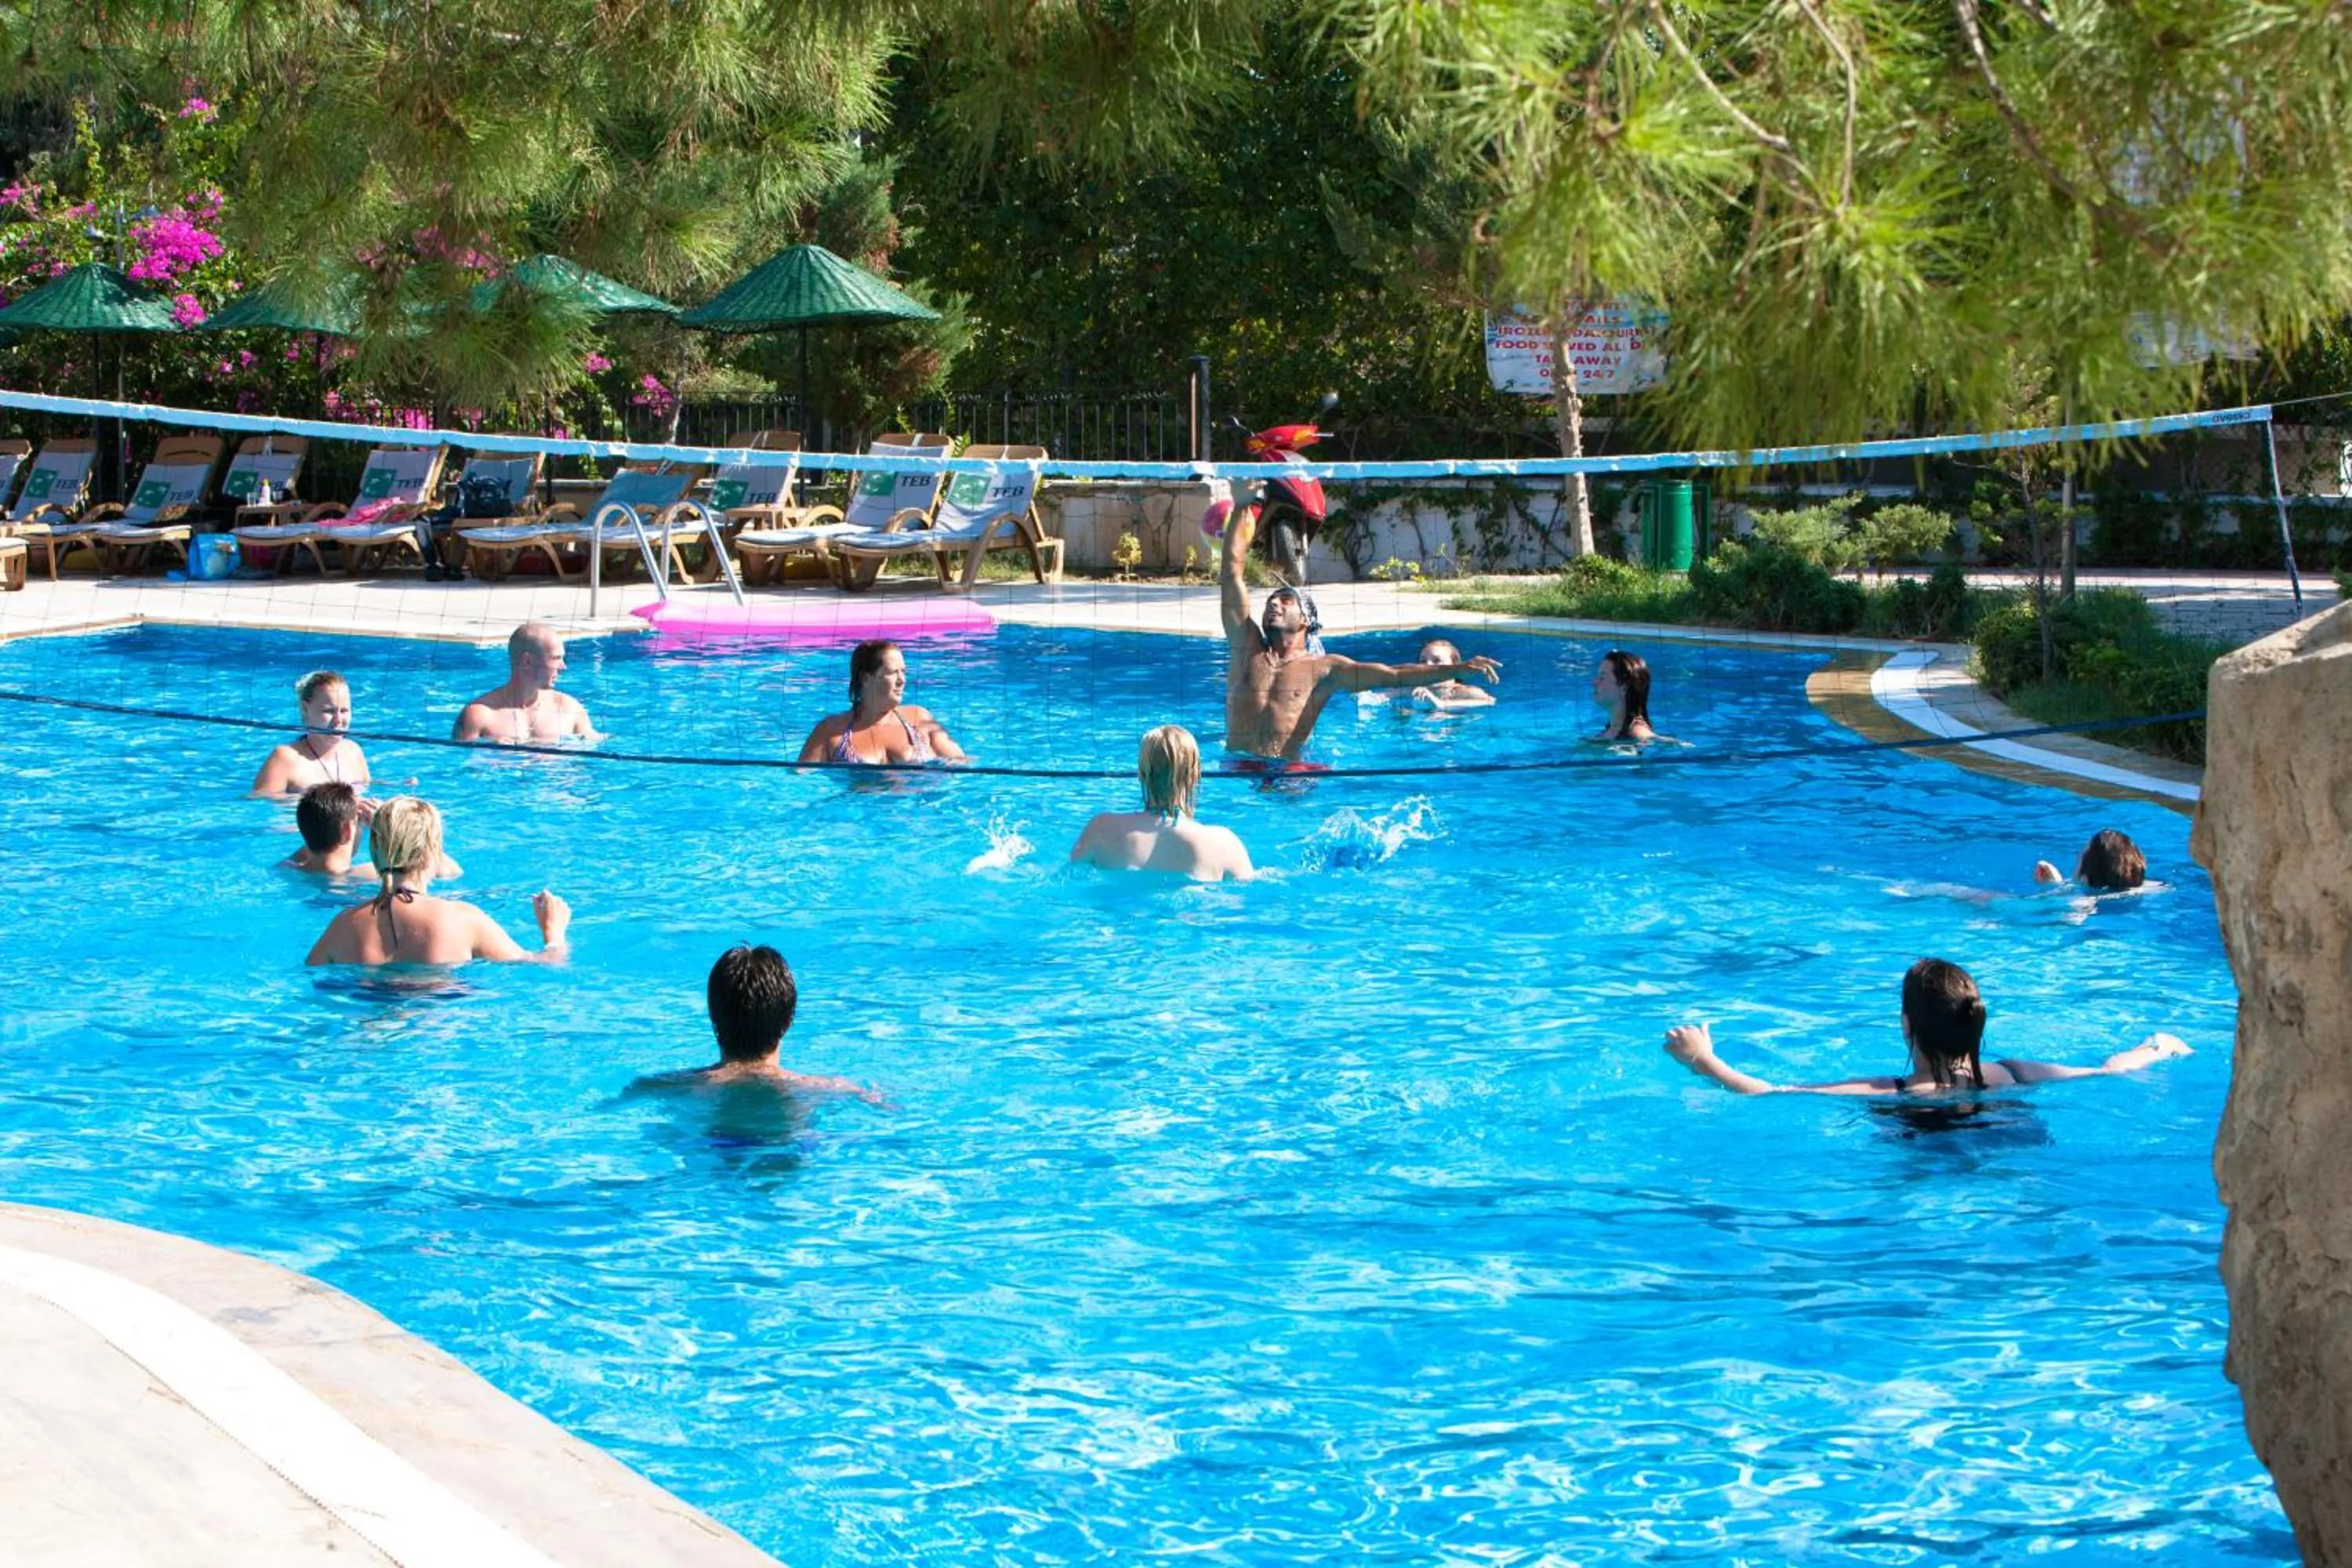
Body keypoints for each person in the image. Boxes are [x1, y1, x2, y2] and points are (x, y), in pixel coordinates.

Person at [1662, 957, 2190, 1098]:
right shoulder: (2015, 1074)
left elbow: (1772, 1091)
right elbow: (2107, 1072)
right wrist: (2154, 1047)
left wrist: (1702, 1059)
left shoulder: (1887, 1091)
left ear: (1906, 1025)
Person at [1220, 503, 1500, 760]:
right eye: (1271, 601)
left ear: (1306, 620)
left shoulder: (1325, 669)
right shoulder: (1247, 648)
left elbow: (1394, 675)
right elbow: (1232, 573)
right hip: (1237, 769)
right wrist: (1242, 504)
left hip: (1287, 774)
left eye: (1285, 601)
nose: (1274, 603)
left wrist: (1458, 669)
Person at [306, 796, 565, 966]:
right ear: (433, 851)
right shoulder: (464, 920)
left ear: (374, 851)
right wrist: (552, 932)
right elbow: (546, 962)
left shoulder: (344, 926)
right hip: (436, 1023)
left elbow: (310, 972)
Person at [627, 945, 883, 1102]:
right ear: (788, 1020)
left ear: (713, 1017)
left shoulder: (664, 1086)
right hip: (785, 1152)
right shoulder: (828, 1089)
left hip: (712, 1153)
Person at [1069, 725, 1255, 881]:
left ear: (1141, 773)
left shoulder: (1102, 828)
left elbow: (1069, 876)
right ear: (1194, 776)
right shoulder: (1223, 843)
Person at [796, 640, 967, 765]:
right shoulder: (830, 731)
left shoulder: (919, 718)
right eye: (893, 673)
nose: (902, 680)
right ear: (866, 678)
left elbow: (962, 764)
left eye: (903, 672)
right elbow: (800, 784)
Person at [452, 622, 601, 743]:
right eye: (556, 658)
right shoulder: (480, 716)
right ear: (527, 661)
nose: (563, 667)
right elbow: (458, 769)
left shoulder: (570, 710)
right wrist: (490, 751)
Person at [281, 782, 463, 878]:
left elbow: (316, 832)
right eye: (358, 822)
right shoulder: (367, 875)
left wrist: (331, 822)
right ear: (347, 832)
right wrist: (390, 823)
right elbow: (452, 870)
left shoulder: (289, 868)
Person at [250, 670, 371, 796]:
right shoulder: (285, 759)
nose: (338, 720)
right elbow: (258, 805)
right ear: (305, 709)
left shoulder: (353, 752)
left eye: (344, 711)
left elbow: (371, 790)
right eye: (329, 711)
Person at [2035, 829, 2148, 891]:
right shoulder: (2152, 888)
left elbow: (2066, 927)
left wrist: (2055, 887)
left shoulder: (2083, 903)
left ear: (2085, 878)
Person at [1592, 649, 1655, 742]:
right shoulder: (1610, 732)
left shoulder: (1638, 733)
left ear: (1623, 689)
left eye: (1603, 678)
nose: (1594, 683)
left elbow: (1667, 743)